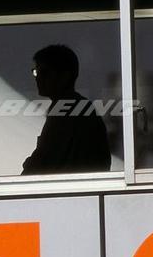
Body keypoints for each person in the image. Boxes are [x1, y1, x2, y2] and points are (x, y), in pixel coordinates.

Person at [22, 44, 111, 175]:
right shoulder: (75, 107)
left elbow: (45, 160)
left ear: (64, 76)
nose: (38, 78)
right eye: (35, 72)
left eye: (44, 72)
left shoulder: (69, 109)